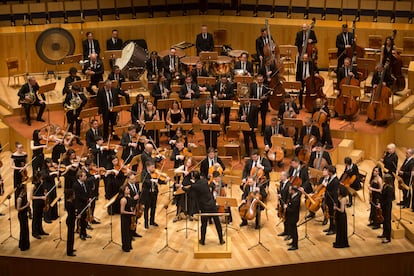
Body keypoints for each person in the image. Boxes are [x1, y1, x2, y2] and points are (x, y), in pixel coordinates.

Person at [183, 171, 225, 245]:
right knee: (217, 222)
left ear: (193, 177)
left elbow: (187, 190)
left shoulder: (194, 186)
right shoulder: (205, 181)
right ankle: (221, 240)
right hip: (212, 204)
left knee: (204, 224)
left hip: (204, 207)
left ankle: (202, 241)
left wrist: (182, 187)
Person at [140, 160, 167, 229]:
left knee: (153, 207)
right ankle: (146, 223)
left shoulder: (155, 173)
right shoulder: (144, 172)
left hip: (154, 192)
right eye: (152, 167)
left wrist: (165, 181)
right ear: (148, 167)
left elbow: (159, 180)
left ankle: (152, 221)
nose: (154, 169)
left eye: (154, 167)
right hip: (147, 193)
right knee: (146, 208)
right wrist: (151, 180)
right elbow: (144, 181)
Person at [73, 170, 92, 240]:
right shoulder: (76, 185)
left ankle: (85, 233)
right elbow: (78, 196)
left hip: (85, 203)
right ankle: (81, 234)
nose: (86, 177)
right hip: (80, 204)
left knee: (85, 220)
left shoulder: (85, 183)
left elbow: (88, 191)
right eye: (84, 176)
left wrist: (89, 197)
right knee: (81, 220)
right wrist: (87, 200)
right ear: (79, 177)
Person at [31, 172, 48, 239]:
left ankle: (40, 230)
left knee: (40, 217)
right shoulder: (34, 185)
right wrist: (41, 197)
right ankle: (35, 232)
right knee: (35, 218)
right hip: (36, 203)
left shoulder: (41, 183)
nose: (42, 178)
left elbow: (42, 191)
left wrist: (45, 193)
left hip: (41, 202)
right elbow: (31, 197)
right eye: (41, 177)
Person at [379, 174, 395, 244]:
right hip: (383, 206)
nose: (383, 179)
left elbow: (388, 200)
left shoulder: (390, 188)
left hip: (387, 207)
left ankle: (388, 238)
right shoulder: (385, 185)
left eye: (384, 178)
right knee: (384, 220)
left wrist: (381, 204)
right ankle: (384, 233)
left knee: (387, 222)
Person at [324, 165, 340, 236]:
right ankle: (330, 227)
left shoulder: (336, 181)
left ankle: (334, 229)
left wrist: (335, 203)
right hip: (329, 199)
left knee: (333, 215)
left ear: (331, 172)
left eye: (328, 171)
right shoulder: (330, 178)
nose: (327, 172)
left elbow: (335, 193)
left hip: (332, 200)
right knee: (330, 215)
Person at [11, 142, 28, 208]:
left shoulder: (25, 154)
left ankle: (24, 202)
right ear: (16, 148)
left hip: (24, 172)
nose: (21, 149)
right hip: (17, 173)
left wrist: (25, 166)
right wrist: (19, 168)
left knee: (24, 187)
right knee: (17, 188)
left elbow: (26, 162)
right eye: (19, 148)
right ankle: (18, 204)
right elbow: (11, 166)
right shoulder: (14, 155)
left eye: (22, 147)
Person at [285, 185, 301, 250]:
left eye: (290, 190)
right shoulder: (293, 196)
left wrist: (287, 207)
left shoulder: (296, 199)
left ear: (293, 191)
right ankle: (293, 242)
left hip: (294, 217)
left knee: (294, 231)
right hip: (291, 216)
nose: (289, 191)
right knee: (292, 230)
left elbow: (293, 210)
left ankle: (295, 245)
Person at [120, 184, 135, 252]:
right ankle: (125, 247)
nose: (129, 190)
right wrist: (131, 213)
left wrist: (133, 210)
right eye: (127, 189)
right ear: (124, 191)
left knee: (130, 232)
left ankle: (129, 245)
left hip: (129, 217)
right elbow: (122, 211)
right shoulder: (123, 200)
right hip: (125, 218)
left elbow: (130, 206)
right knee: (125, 232)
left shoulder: (129, 197)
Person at [276, 171, 291, 239]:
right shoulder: (281, 183)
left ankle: (290, 234)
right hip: (282, 203)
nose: (280, 177)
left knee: (288, 219)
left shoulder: (289, 185)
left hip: (287, 204)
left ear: (285, 177)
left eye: (281, 176)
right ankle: (286, 231)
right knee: (284, 218)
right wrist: (279, 194)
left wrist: (287, 204)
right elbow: (279, 190)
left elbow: (289, 196)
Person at [16, 184, 30, 251]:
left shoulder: (24, 196)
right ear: (22, 190)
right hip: (21, 215)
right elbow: (18, 209)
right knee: (23, 230)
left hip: (24, 214)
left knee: (26, 229)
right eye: (25, 188)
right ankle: (23, 246)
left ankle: (26, 244)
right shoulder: (19, 199)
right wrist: (26, 206)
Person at [65, 189, 76, 256]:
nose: (74, 195)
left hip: (71, 219)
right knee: (70, 236)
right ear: (71, 196)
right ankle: (69, 252)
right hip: (70, 220)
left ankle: (71, 249)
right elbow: (72, 213)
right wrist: (77, 215)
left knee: (71, 235)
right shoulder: (70, 204)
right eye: (73, 194)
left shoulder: (69, 202)